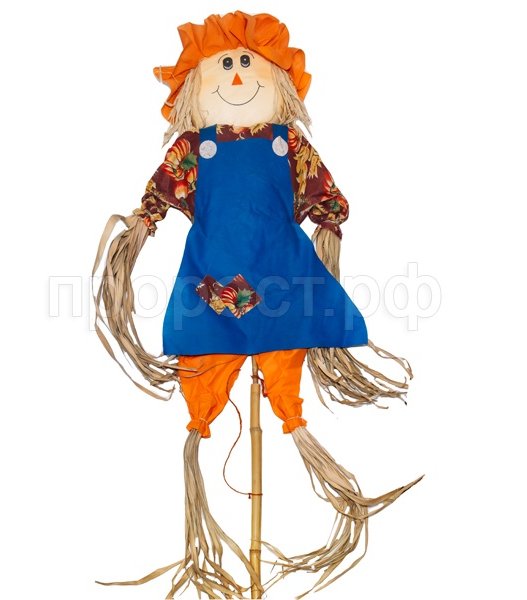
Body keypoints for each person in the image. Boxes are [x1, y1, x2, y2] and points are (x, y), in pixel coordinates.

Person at [94, 11, 420, 598]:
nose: (238, 75)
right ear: (194, 89)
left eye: (248, 63)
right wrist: (141, 227)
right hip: (210, 286)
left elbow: (325, 196)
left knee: (285, 382)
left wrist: (328, 225)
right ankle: (203, 489)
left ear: (280, 83)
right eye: (224, 65)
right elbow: (159, 195)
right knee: (204, 377)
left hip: (282, 282)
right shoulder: (195, 148)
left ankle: (304, 441)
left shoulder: (286, 142)